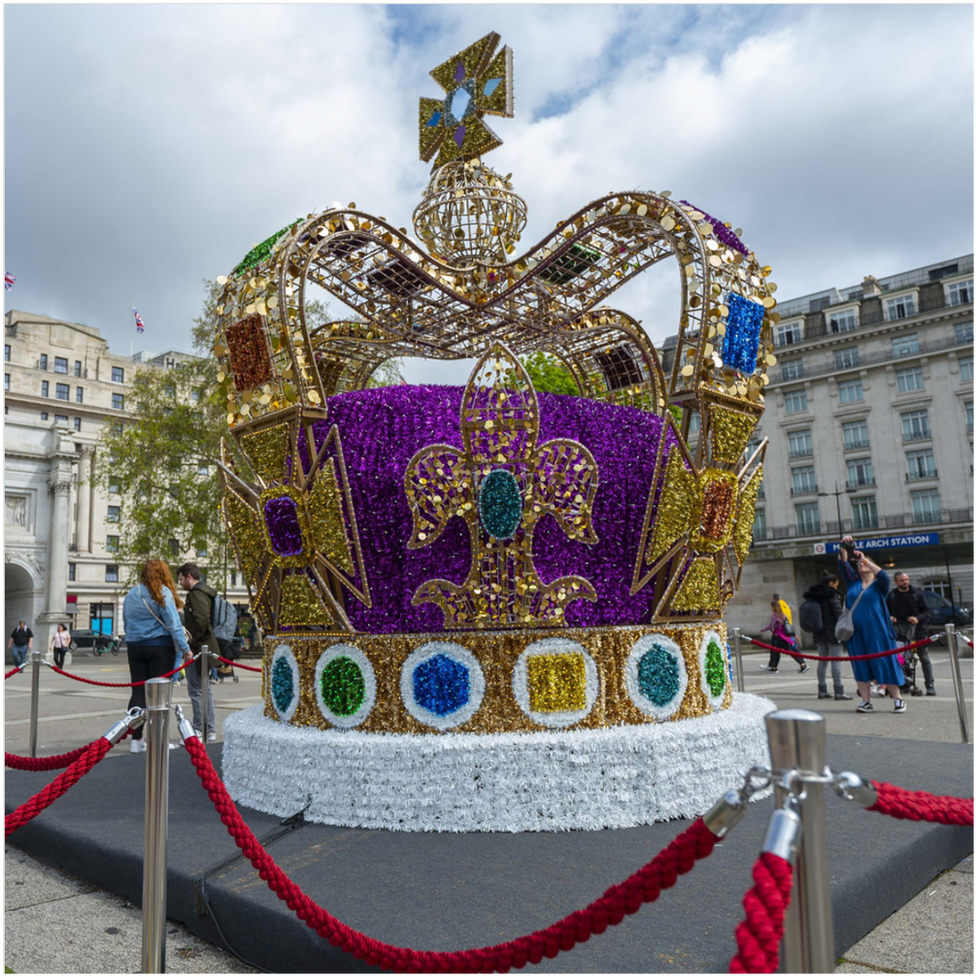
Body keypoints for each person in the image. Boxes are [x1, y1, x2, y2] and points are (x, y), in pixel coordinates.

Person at [123, 560, 192, 753]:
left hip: (135, 646)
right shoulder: (163, 593)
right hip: (159, 647)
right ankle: (159, 740)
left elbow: (126, 622)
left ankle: (136, 740)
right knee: (159, 696)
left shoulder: (131, 594)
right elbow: (174, 623)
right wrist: (185, 649)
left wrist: (133, 639)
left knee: (138, 693)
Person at [838, 536, 906, 713]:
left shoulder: (879, 585)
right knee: (860, 664)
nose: (860, 566)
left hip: (878, 631)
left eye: (864, 565)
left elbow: (883, 574)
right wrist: (843, 545)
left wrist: (864, 559)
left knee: (885, 662)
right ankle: (866, 701)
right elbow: (842, 563)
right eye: (859, 564)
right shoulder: (852, 582)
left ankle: (898, 699)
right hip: (855, 632)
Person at [177, 563, 217, 742]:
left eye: (181, 579)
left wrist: (193, 640)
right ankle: (209, 728)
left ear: (189, 576)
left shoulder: (196, 594)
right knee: (204, 688)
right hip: (205, 645)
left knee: (196, 689)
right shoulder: (205, 592)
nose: (180, 583)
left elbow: (200, 620)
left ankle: (200, 729)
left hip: (199, 647)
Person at [802, 573, 852, 700]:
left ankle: (822, 690)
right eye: (836, 583)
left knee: (822, 661)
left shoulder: (814, 597)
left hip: (818, 632)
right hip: (833, 633)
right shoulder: (832, 596)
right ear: (831, 583)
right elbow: (838, 615)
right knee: (836, 662)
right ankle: (839, 691)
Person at [886, 571, 935, 695]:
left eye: (906, 579)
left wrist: (917, 618)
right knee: (900, 658)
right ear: (896, 582)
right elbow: (884, 612)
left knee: (924, 657)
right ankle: (904, 682)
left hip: (919, 632)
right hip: (900, 634)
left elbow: (928, 611)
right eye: (902, 580)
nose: (905, 582)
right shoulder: (892, 596)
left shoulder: (917, 594)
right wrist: (890, 618)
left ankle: (930, 684)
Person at [759, 598, 808, 674]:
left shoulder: (774, 615)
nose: (770, 608)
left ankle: (803, 664)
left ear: (773, 607)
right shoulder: (783, 614)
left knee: (788, 651)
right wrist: (794, 635)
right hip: (783, 635)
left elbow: (771, 625)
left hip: (779, 636)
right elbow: (788, 626)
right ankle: (774, 667)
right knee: (775, 651)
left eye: (771, 606)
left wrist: (762, 630)